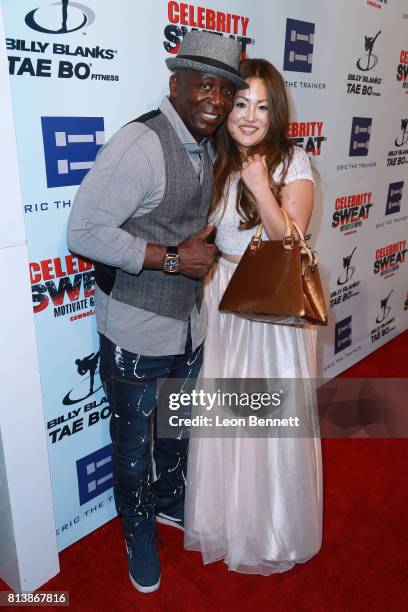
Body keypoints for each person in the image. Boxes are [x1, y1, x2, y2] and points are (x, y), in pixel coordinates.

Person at [67, 31, 248, 594]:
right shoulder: (141, 145)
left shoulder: (209, 144)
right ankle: (137, 529)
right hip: (136, 330)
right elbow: (83, 232)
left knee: (174, 429)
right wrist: (172, 258)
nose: (215, 99)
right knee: (132, 444)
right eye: (204, 85)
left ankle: (171, 501)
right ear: (177, 84)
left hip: (188, 325)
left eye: (225, 89)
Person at [184, 59, 323, 575]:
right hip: (223, 298)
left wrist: (261, 185)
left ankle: (274, 527)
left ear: (276, 113)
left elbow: (290, 242)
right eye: (241, 103)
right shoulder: (214, 159)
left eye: (262, 107)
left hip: (271, 302)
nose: (249, 116)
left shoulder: (293, 161)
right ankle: (226, 521)